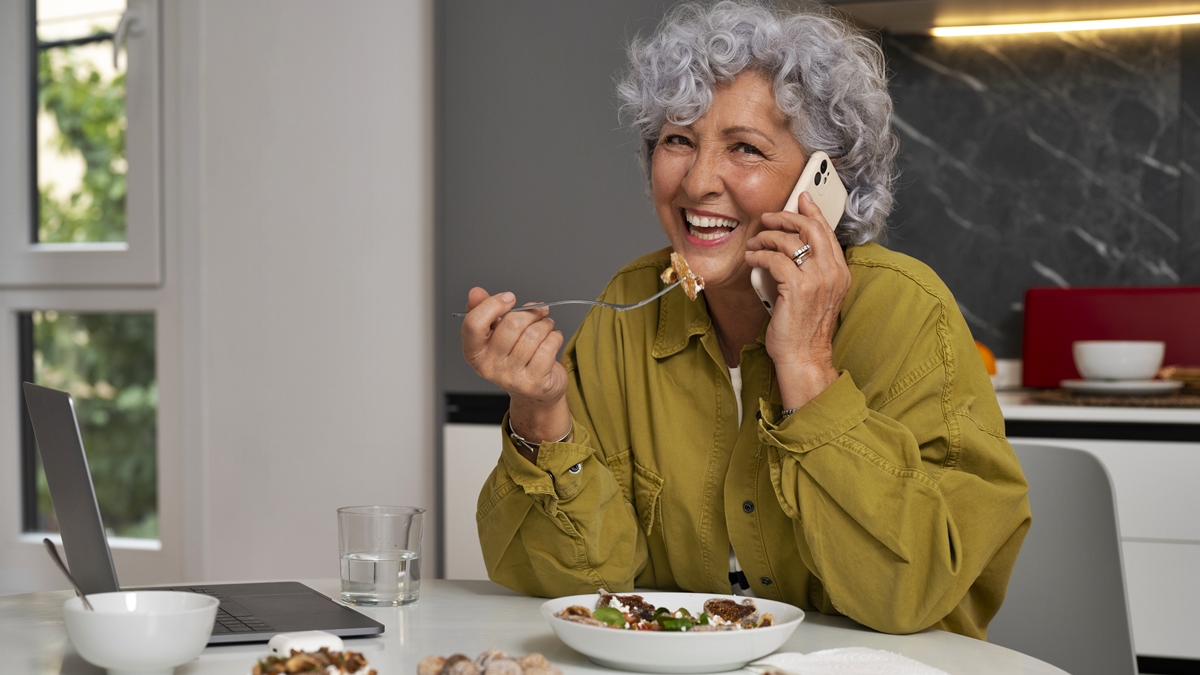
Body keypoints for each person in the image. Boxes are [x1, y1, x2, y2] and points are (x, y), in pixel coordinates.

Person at [460, 0, 1029, 639]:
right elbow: (583, 587)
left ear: (822, 183)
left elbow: (911, 596)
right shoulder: (630, 304)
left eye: (746, 148)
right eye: (679, 140)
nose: (699, 181)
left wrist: (809, 368)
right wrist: (541, 414)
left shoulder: (905, 311)